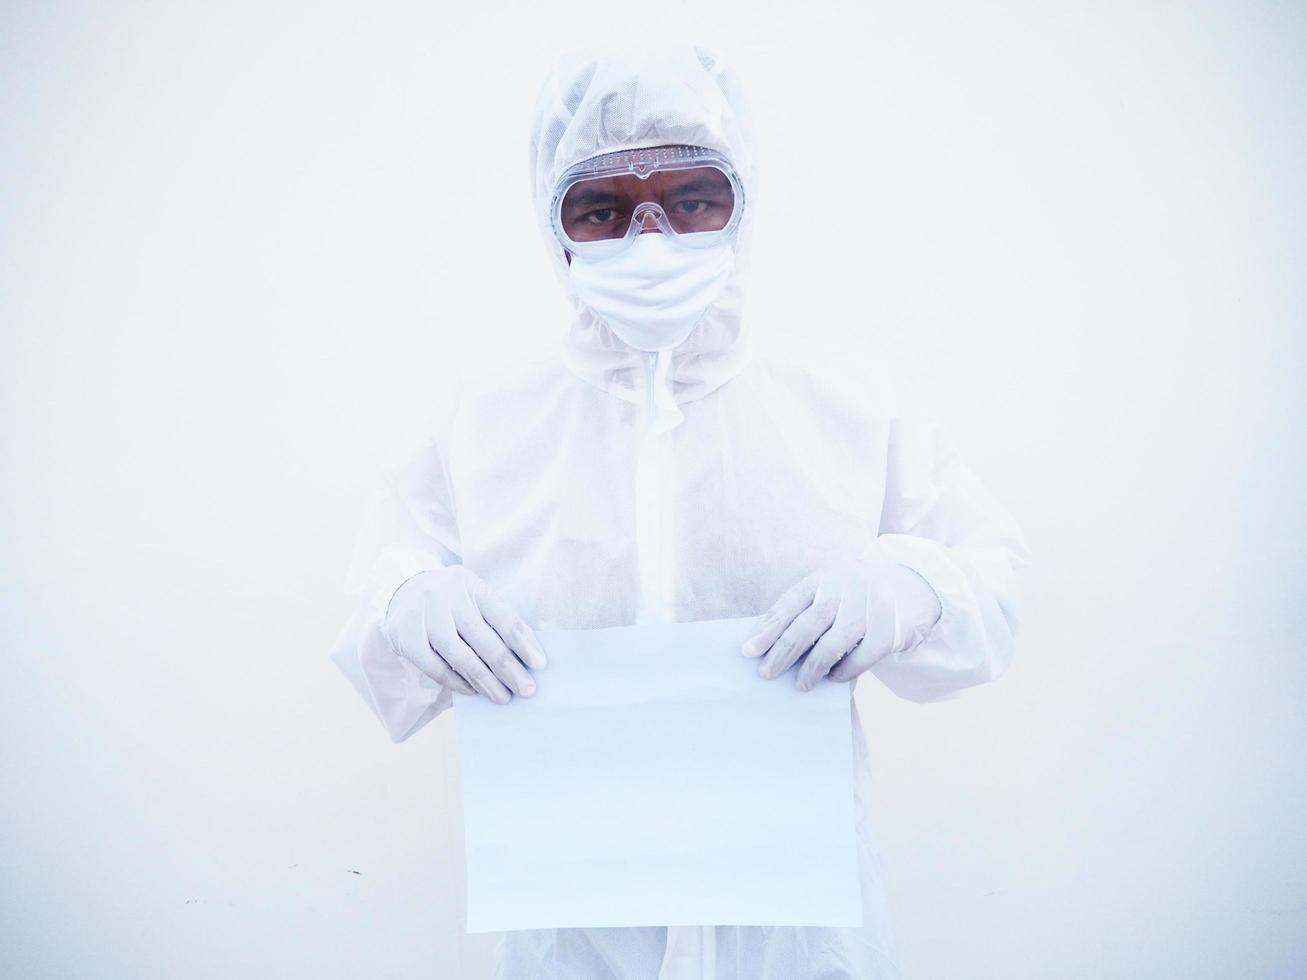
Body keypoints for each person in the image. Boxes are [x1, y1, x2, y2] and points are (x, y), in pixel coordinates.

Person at [330, 44, 1031, 980]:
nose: (650, 239)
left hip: (797, 937)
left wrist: (911, 588)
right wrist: (408, 602)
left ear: (743, 201)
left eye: (693, 197)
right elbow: (375, 625)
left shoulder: (848, 406)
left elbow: (996, 586)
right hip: (569, 937)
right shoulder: (484, 424)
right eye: (603, 208)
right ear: (555, 223)